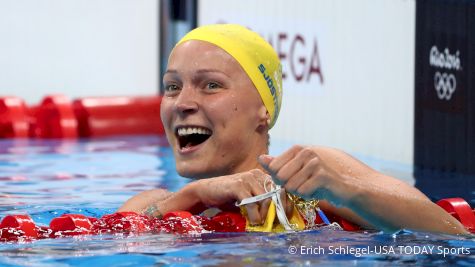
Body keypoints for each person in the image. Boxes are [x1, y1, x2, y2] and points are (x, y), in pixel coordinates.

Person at [119, 24, 467, 234]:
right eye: (172, 86)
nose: (183, 103)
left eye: (211, 85)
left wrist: (343, 190)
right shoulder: (153, 204)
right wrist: (194, 196)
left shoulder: (313, 177)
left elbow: (452, 235)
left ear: (263, 110)